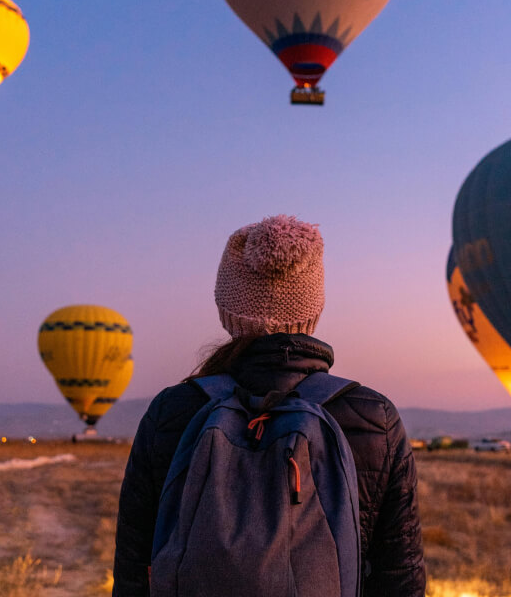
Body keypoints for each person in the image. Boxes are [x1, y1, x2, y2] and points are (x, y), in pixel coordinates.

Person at [113, 215, 426, 597]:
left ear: (226, 309)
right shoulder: (373, 417)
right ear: (314, 310)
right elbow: (400, 577)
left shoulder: (173, 411)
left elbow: (133, 570)